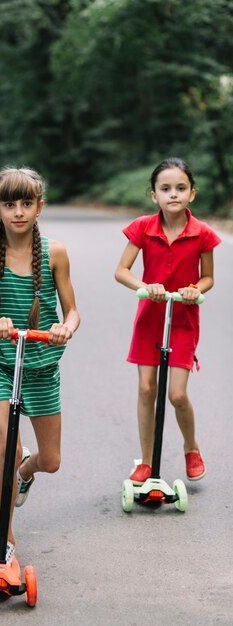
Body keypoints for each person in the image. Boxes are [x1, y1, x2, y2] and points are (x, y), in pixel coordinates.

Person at [0, 166, 80, 566]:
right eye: (9, 204)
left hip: (42, 365)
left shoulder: (55, 253)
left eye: (26, 203)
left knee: (51, 461)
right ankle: (4, 538)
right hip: (0, 362)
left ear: (39, 206)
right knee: (7, 447)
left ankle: (26, 472)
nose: (18, 212)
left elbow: (73, 311)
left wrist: (64, 328)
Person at [115, 157, 221, 485]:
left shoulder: (202, 233)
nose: (173, 194)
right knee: (147, 388)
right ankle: (146, 461)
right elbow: (121, 271)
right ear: (154, 195)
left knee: (176, 394)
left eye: (180, 188)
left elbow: (208, 278)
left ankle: (191, 447)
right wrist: (145, 287)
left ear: (192, 194)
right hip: (150, 317)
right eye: (165, 189)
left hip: (184, 319)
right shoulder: (143, 228)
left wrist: (193, 290)